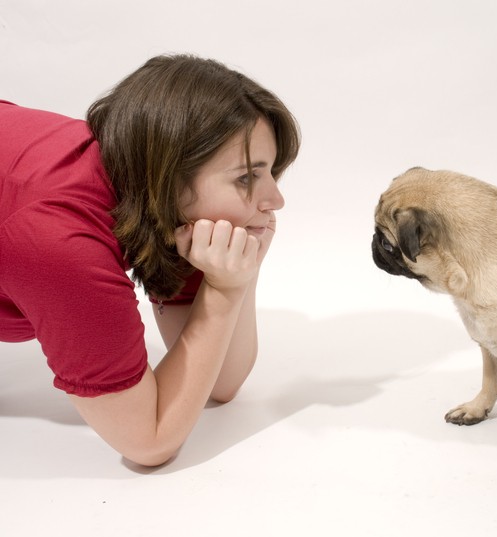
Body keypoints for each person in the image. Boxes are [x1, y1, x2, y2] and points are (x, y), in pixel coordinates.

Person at [0, 54, 301, 466]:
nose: (276, 201)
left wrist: (235, 274)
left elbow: (223, 383)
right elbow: (148, 441)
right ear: (169, 172)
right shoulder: (60, 241)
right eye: (246, 177)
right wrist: (224, 289)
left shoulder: (160, 196)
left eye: (270, 174)